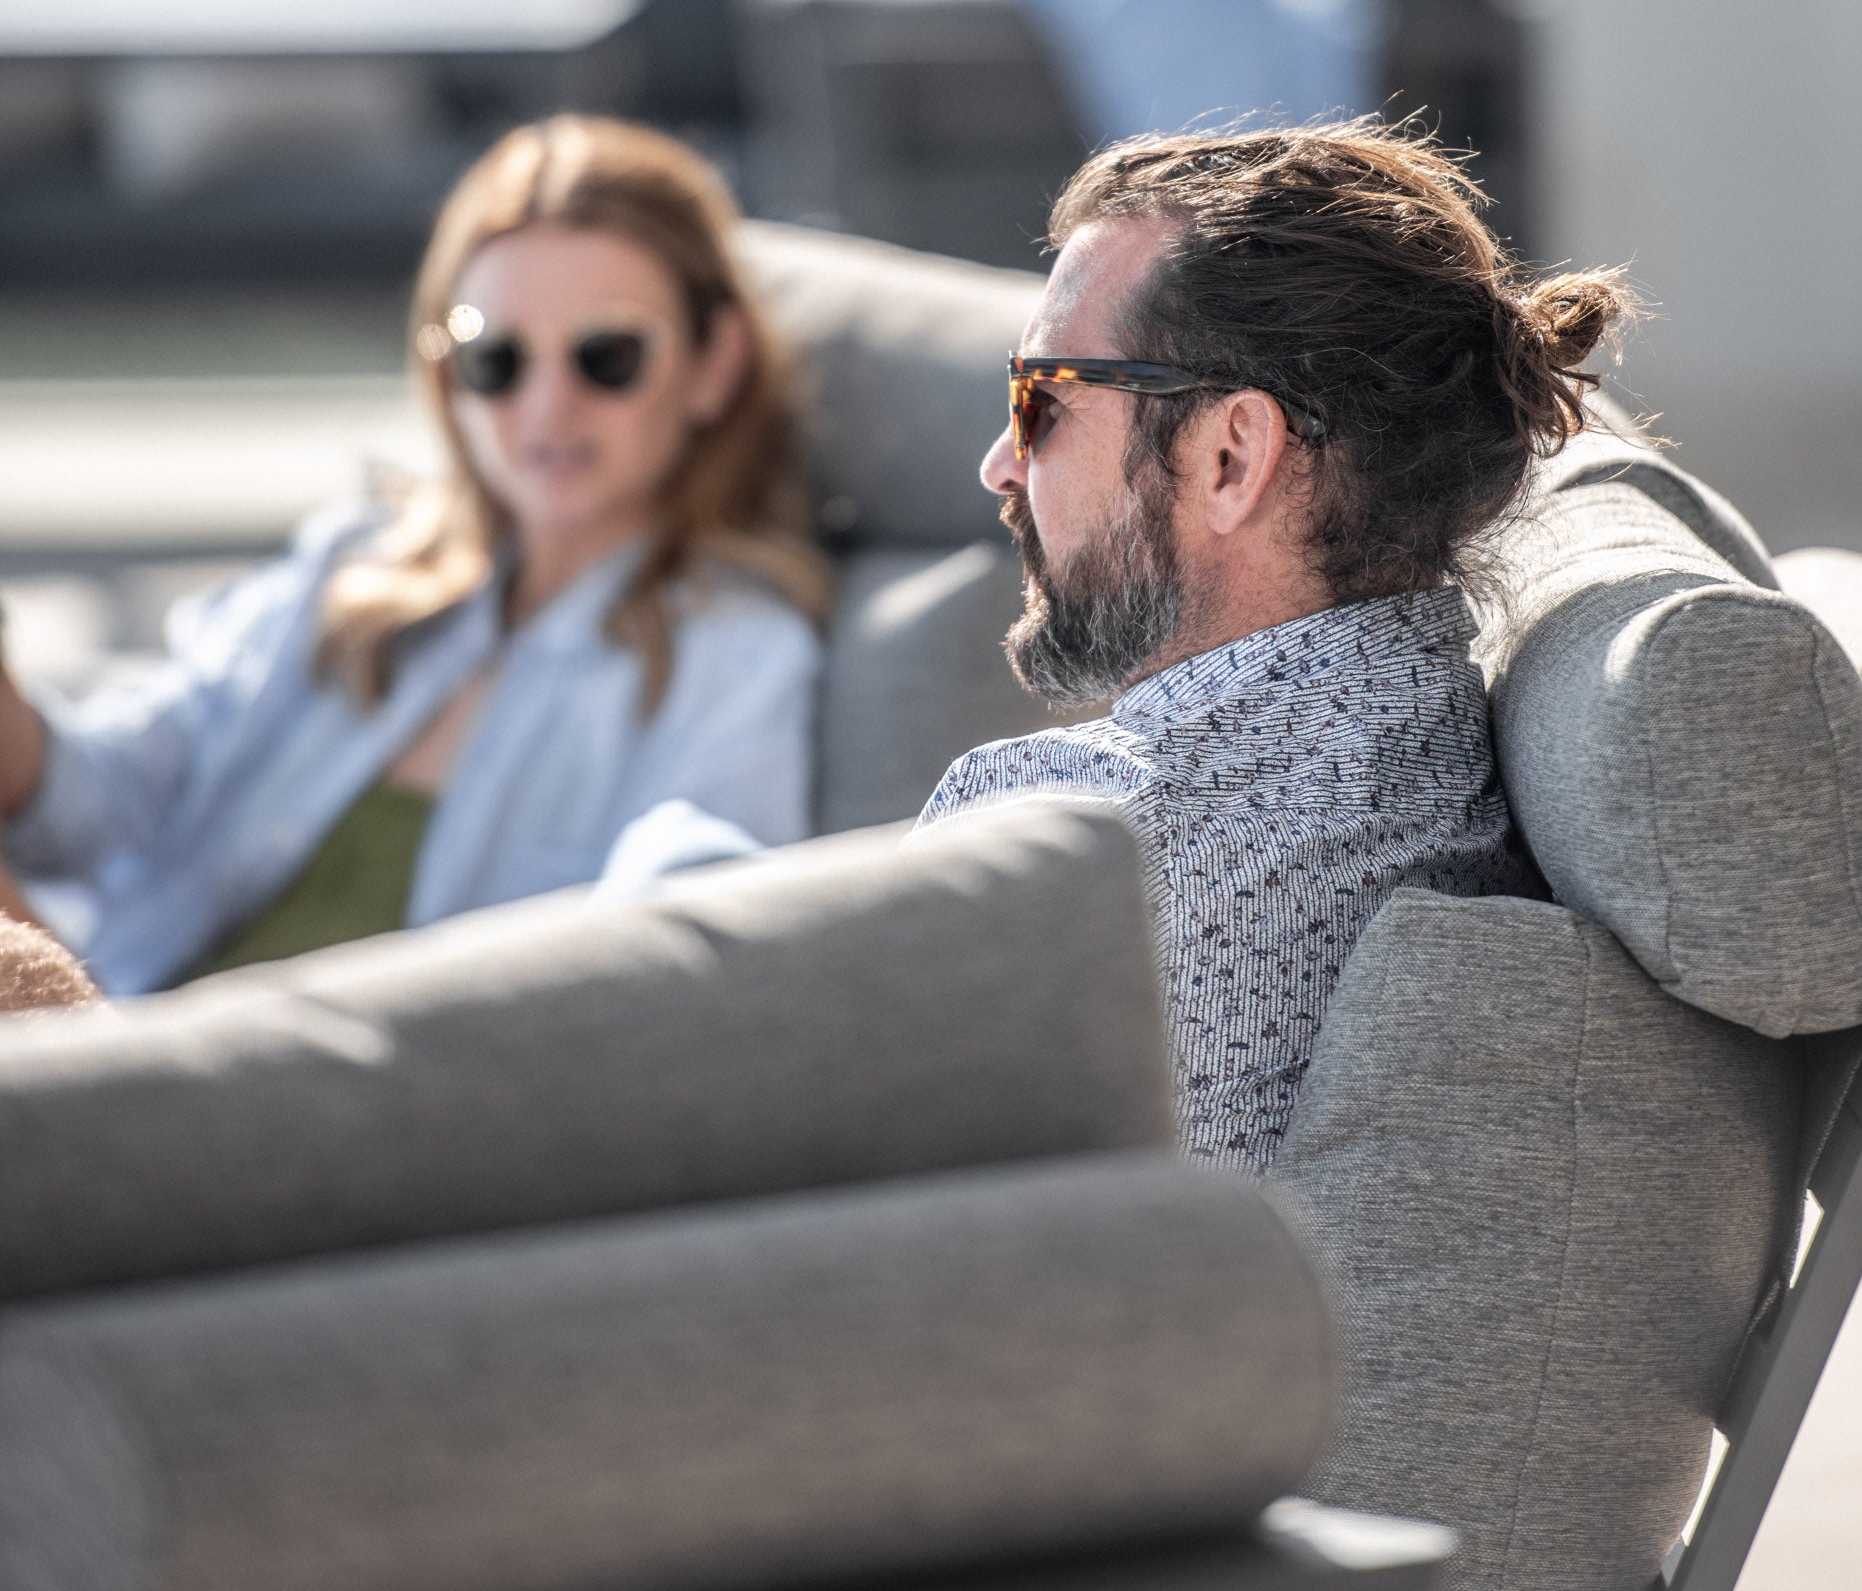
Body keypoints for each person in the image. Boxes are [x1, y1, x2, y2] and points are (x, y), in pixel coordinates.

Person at [920, 120, 1633, 1173]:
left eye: (1041, 402)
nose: (999, 464)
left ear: (1228, 453)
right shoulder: (1435, 788)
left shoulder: (1074, 853)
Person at [0, 117, 827, 995]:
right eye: (495, 358)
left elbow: (693, 948)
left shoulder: (737, 654)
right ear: (444, 371)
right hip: (126, 1034)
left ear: (716, 363)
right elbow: (102, 802)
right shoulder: (351, 571)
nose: (547, 409)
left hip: (363, 1112)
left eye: (607, 356)